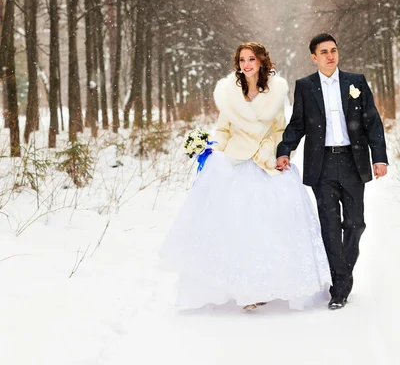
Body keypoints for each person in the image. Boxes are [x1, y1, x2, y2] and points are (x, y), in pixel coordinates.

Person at [160, 42, 331, 311]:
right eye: (242, 60)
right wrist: (218, 150)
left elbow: (280, 130)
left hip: (265, 162)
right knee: (236, 228)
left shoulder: (275, 93)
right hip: (235, 163)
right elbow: (223, 130)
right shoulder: (230, 94)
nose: (246, 64)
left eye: (251, 59)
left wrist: (268, 151)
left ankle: (266, 285)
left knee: (268, 228)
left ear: (261, 62)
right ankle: (243, 289)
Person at [276, 33, 388, 310]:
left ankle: (342, 274)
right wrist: (284, 149)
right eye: (323, 52)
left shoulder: (356, 82)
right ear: (314, 57)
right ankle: (339, 288)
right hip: (322, 165)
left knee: (355, 223)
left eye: (333, 50)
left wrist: (380, 157)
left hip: (353, 162)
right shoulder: (305, 86)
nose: (330, 56)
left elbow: (371, 122)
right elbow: (298, 124)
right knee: (329, 226)